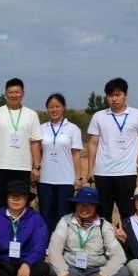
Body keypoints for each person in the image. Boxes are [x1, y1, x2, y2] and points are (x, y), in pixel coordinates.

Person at [87, 77, 138, 221]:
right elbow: (93, 143)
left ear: (125, 95)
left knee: (128, 213)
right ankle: (105, 236)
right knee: (103, 214)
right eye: (110, 95)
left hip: (127, 172)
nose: (114, 99)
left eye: (118, 95)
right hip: (103, 172)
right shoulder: (98, 116)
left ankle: (127, 236)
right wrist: (90, 169)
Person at [47, 187, 129, 276]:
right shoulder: (65, 222)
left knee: (124, 272)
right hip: (71, 268)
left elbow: (119, 255)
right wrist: (62, 274)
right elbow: (54, 249)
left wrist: (105, 275)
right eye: (81, 204)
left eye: (90, 205)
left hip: (97, 270)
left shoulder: (104, 225)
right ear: (75, 205)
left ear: (96, 207)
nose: (84, 208)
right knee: (52, 269)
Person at [0, 78, 42, 211]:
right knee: (0, 203)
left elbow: (35, 142)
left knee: (21, 204)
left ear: (23, 93)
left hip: (23, 167)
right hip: (1, 166)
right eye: (11, 92)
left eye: (17, 92)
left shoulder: (31, 115)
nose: (14, 95)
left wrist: (36, 167)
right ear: (6, 94)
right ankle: (0, 225)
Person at [38, 93, 83, 233]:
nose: (54, 109)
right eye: (50, 107)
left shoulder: (73, 129)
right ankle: (46, 242)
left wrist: (78, 177)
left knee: (64, 215)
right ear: (47, 109)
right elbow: (37, 152)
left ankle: (62, 242)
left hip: (66, 179)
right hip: (45, 179)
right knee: (46, 213)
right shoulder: (41, 128)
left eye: (57, 106)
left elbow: (76, 154)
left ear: (64, 107)